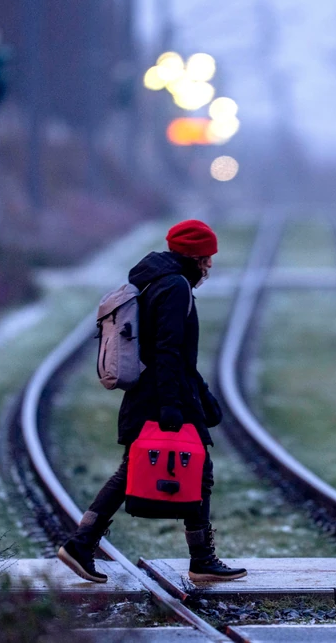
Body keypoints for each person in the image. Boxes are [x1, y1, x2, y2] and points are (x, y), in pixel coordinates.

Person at [58, 219, 247, 583]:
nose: (209, 265)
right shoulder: (175, 287)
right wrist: (173, 407)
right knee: (196, 468)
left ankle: (82, 544)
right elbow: (167, 350)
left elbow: (170, 353)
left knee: (136, 470)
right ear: (193, 256)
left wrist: (202, 395)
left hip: (154, 392)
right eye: (206, 258)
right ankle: (201, 560)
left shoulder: (151, 280)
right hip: (162, 394)